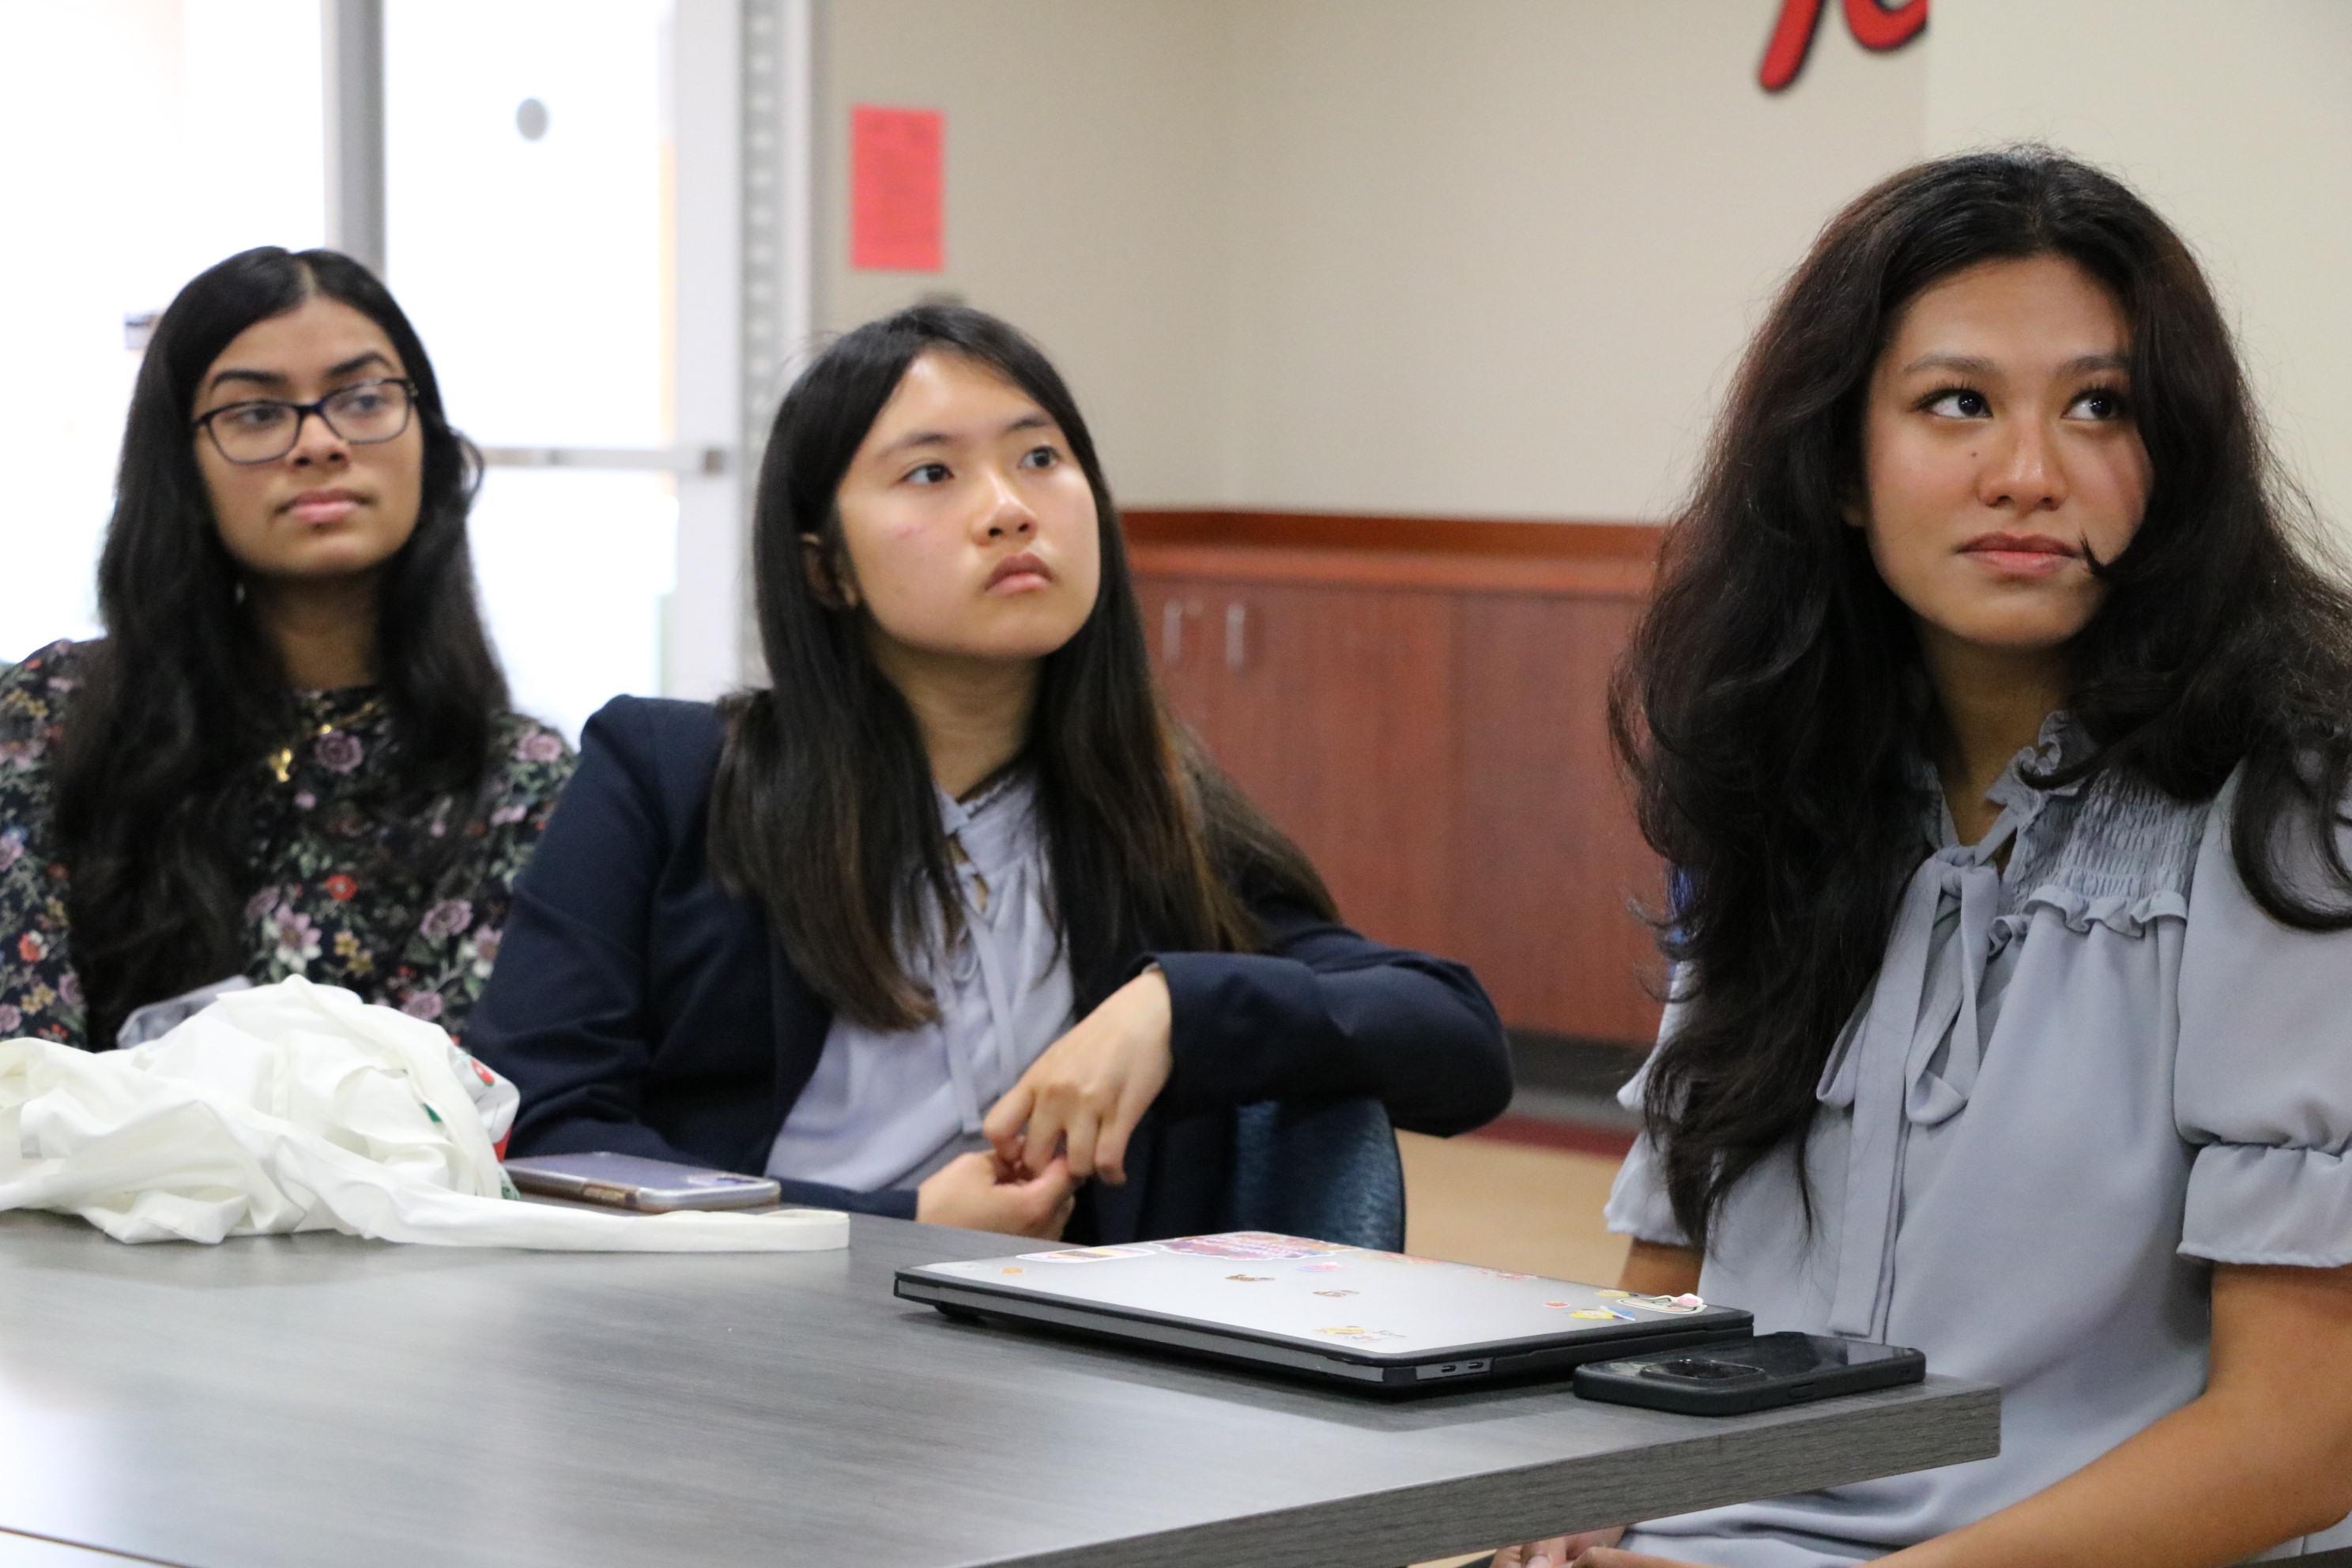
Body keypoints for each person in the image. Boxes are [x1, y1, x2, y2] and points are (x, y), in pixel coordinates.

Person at [1497, 147, 2352, 1567]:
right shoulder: (1788, 775)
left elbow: (2299, 1437)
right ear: (1840, 462)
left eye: (2101, 406)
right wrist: (1564, 1508)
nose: (2028, 472)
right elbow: (1672, 1271)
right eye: (1957, 403)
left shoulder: (2289, 813)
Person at [466, 303, 1512, 1238]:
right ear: (826, 566)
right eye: (932, 472)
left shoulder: (1142, 818)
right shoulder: (670, 778)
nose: (1010, 509)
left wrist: (1172, 1007)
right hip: (724, 1362)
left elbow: (1456, 1042)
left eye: (1041, 459)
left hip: (1061, 1392)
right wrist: (889, 1226)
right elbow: (554, 1134)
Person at [0, 247, 572, 1053]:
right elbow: (22, 1080)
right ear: (183, 471)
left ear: (428, 441)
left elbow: (441, 1112)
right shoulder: (46, 716)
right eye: (257, 414)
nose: (320, 443)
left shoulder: (518, 781)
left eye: (364, 398)